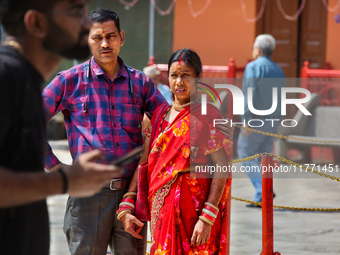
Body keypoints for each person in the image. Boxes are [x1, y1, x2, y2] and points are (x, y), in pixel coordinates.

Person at [43, 8, 234, 255]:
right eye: (96, 37)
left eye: (110, 36)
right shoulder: (70, 81)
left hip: (131, 197)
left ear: (121, 38)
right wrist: (57, 168)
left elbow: (174, 124)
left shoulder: (140, 82)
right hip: (88, 195)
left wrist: (209, 127)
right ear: (85, 40)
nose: (104, 43)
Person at [0, 1, 123, 255]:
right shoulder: (6, 77)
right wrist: (63, 179)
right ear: (37, 23)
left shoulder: (25, 81)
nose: (88, 24)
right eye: (76, 11)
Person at [120, 48, 233, 254]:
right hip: (161, 210)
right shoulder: (158, 116)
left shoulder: (207, 116)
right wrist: (127, 202)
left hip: (196, 213)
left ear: (198, 78)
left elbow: (221, 167)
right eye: (174, 75)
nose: (179, 82)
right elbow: (144, 162)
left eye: (185, 75)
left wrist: (207, 218)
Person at [237, 34, 285, 207]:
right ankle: (261, 197)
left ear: (257, 49)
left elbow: (249, 93)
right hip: (273, 121)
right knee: (264, 158)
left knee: (245, 153)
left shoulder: (253, 67)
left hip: (257, 120)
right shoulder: (279, 70)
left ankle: (263, 190)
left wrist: (246, 120)